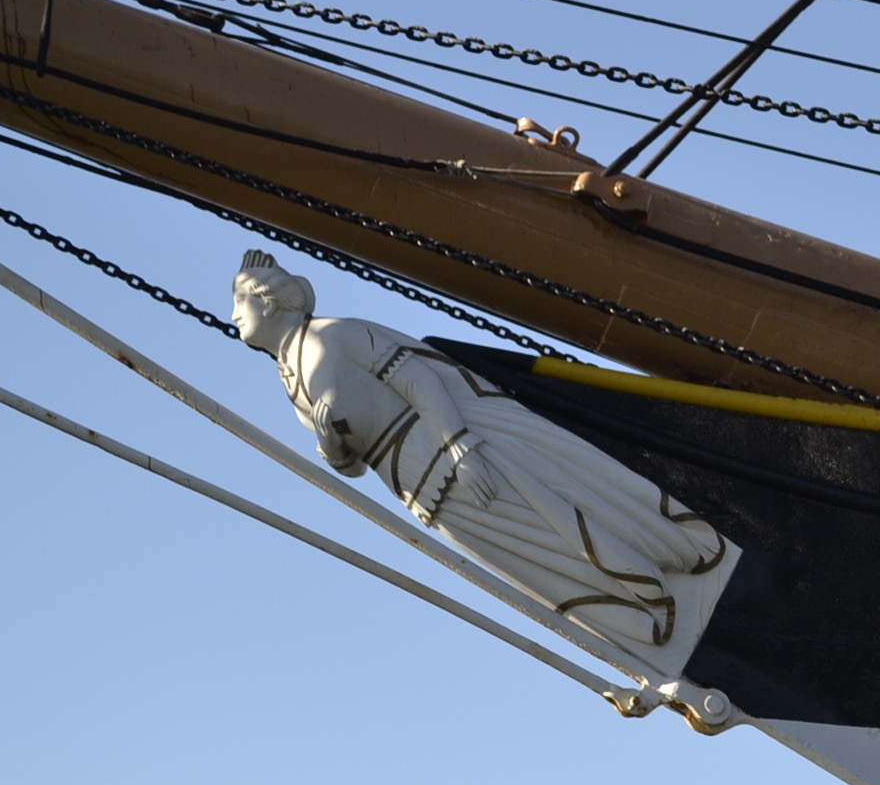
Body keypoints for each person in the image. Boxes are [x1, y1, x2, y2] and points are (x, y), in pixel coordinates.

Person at [232, 250, 734, 666]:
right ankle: (635, 614)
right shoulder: (290, 380)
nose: (234, 312)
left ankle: (655, 578)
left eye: (240, 300)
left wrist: (460, 446)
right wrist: (330, 443)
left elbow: (420, 380)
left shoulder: (333, 336)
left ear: (269, 302)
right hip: (420, 489)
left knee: (555, 519)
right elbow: (351, 464)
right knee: (533, 562)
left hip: (446, 448)